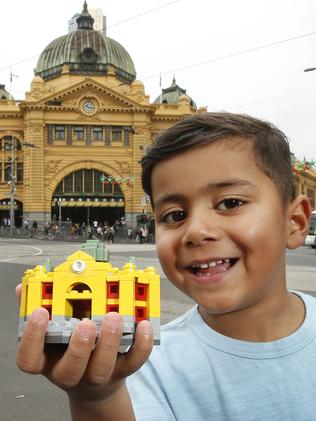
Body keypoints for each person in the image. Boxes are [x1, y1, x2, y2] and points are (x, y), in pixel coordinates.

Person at [16, 112, 314, 420]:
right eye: (174, 215)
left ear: (294, 222)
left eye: (230, 203)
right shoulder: (139, 361)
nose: (196, 231)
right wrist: (97, 399)